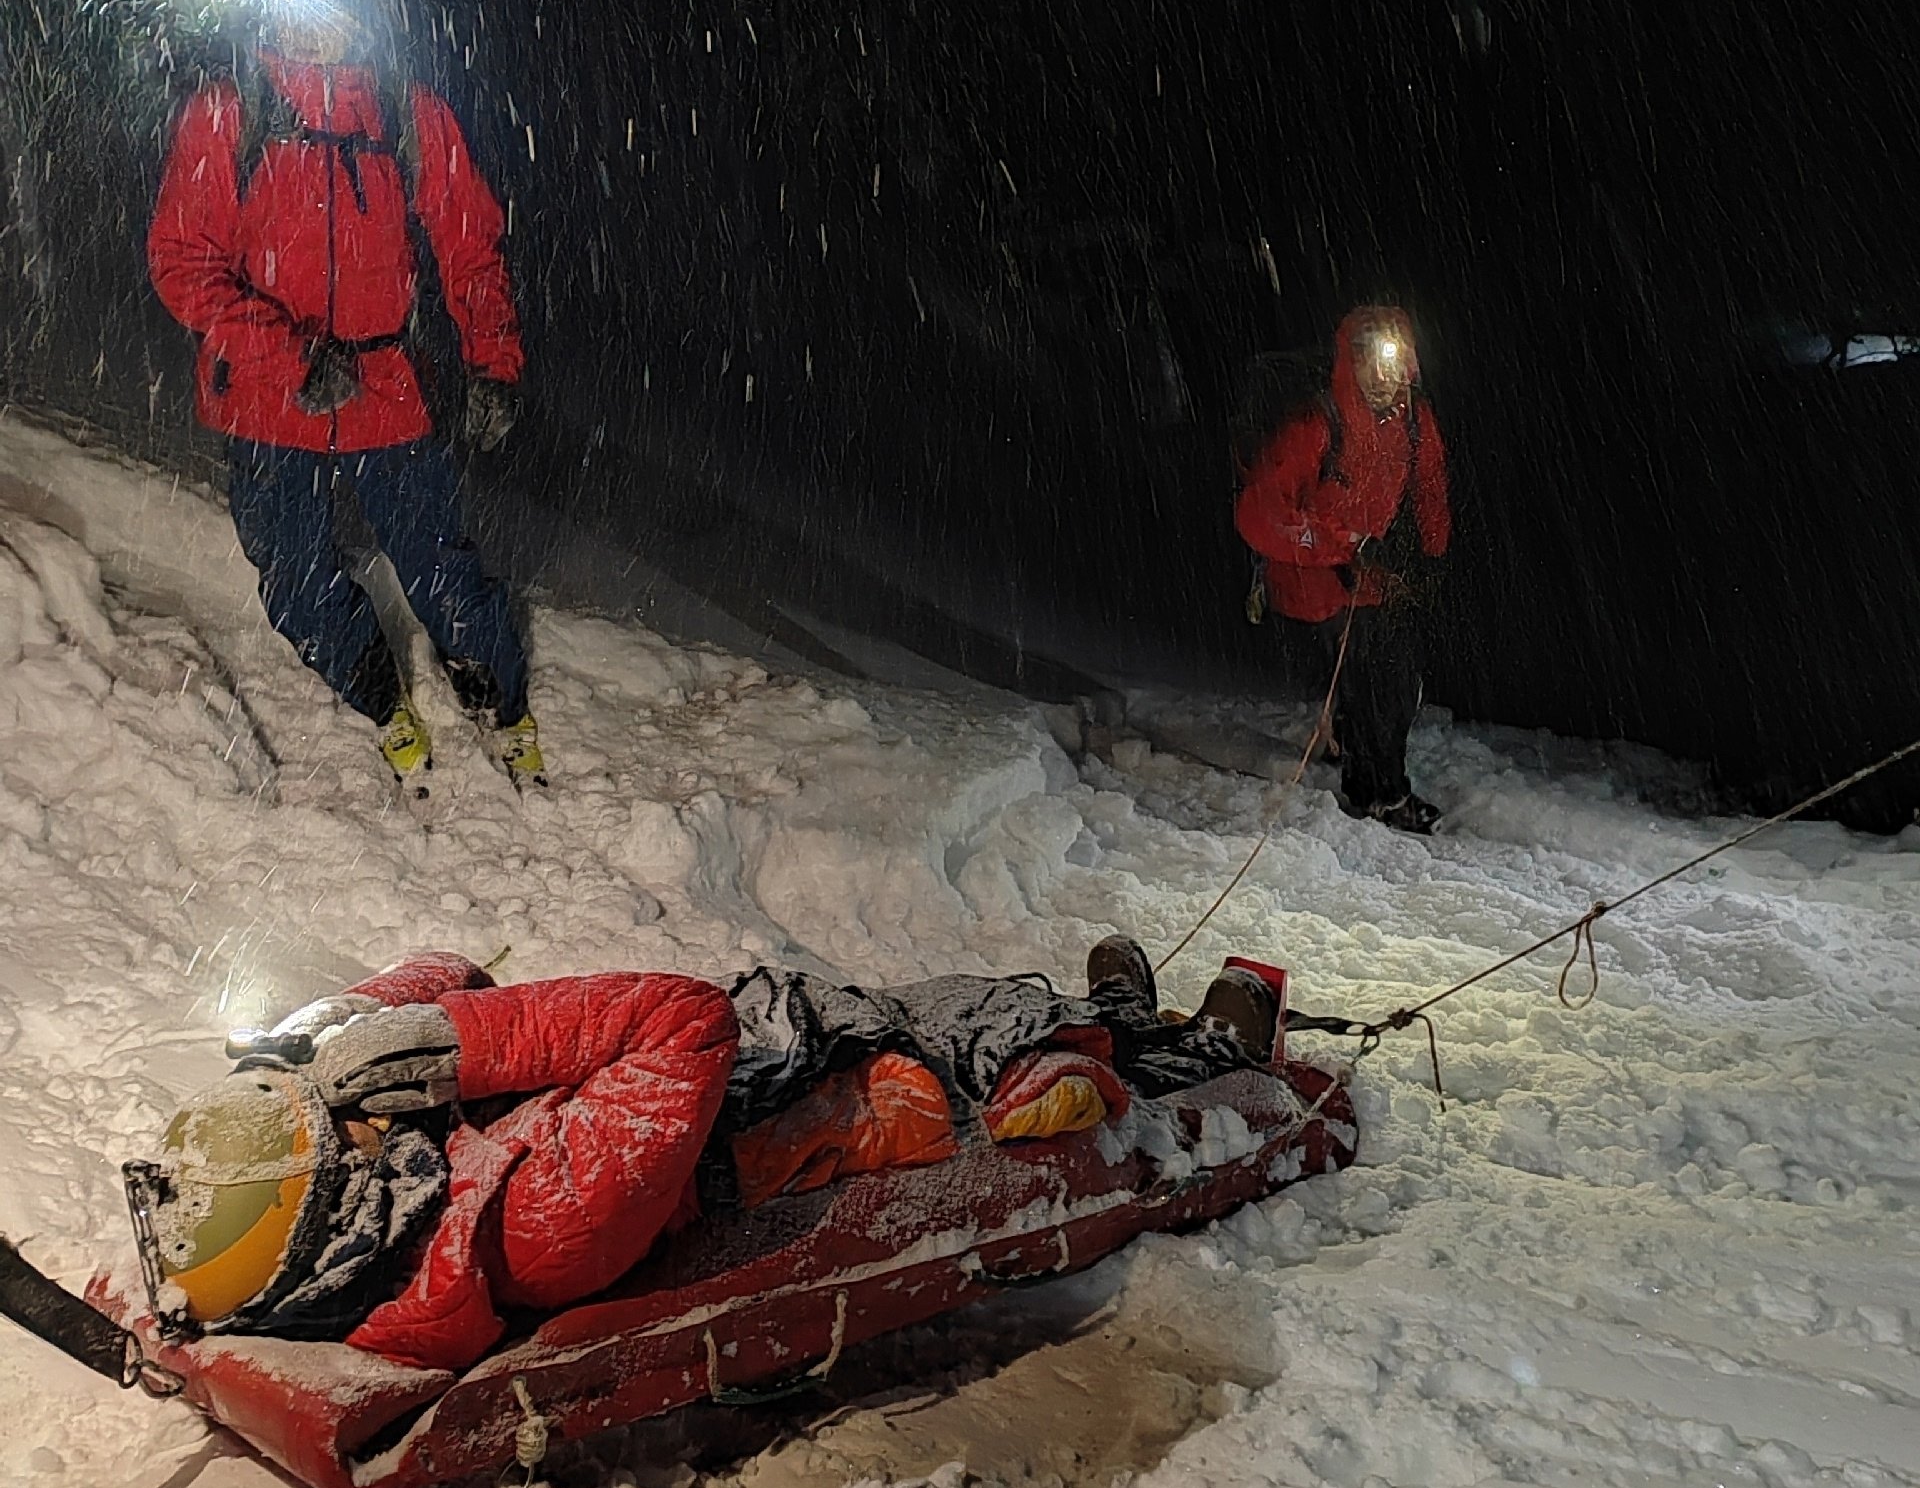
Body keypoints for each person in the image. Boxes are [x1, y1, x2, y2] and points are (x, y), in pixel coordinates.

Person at [126, 938, 1300, 1370]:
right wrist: (457, 1046)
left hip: (773, 1059)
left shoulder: (397, 1194)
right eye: (329, 1128)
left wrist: (352, 1020)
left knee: (968, 1001)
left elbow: (452, 970)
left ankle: (1121, 1013)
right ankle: (1206, 1048)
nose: (351, 1114)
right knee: (1016, 1054)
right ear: (340, 1212)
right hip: (848, 1104)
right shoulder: (535, 1226)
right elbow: (684, 1021)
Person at [146, 0, 543, 792]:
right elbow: (182, 261)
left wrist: (494, 361)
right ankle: (382, 702)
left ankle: (502, 708)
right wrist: (286, 356)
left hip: (384, 383)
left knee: (442, 572)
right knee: (297, 583)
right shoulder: (231, 109)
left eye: (331, 3)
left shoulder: (406, 111)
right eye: (295, 1)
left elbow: (470, 243)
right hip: (268, 393)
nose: (312, 23)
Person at [1235, 304, 1450, 832]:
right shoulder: (1315, 425)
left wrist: (1433, 553)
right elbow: (1259, 513)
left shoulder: (1414, 422)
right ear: (1350, 363)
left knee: (1395, 680)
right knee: (1372, 682)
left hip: (1367, 573)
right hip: (1306, 578)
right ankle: (1379, 794)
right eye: (1370, 362)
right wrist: (1342, 546)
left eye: (1394, 363)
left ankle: (1366, 761)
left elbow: (1430, 485)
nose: (1384, 377)